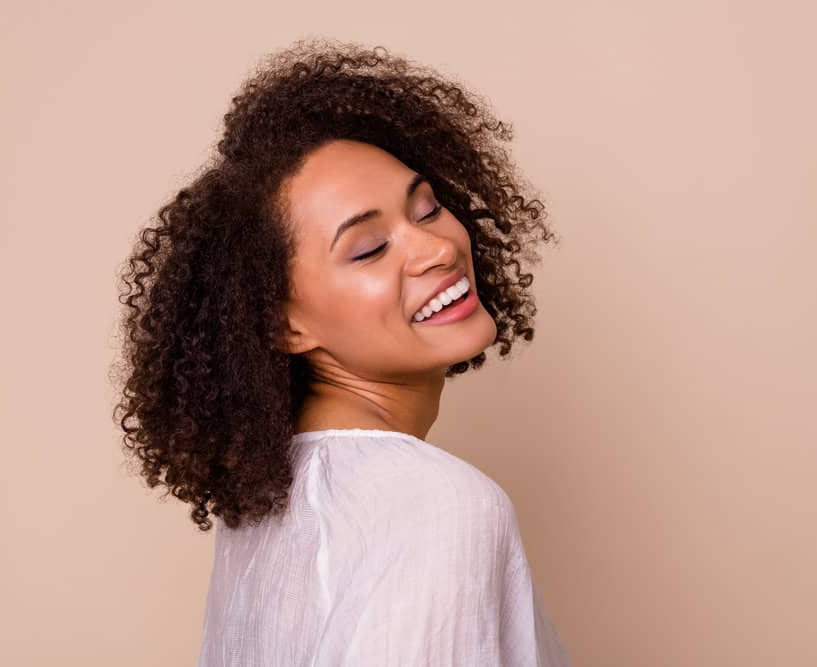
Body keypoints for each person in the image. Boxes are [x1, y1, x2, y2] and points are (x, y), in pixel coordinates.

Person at [113, 37, 571, 666]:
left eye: (428, 207)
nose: (435, 247)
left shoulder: (272, 505)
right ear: (283, 324)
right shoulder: (439, 506)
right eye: (368, 249)